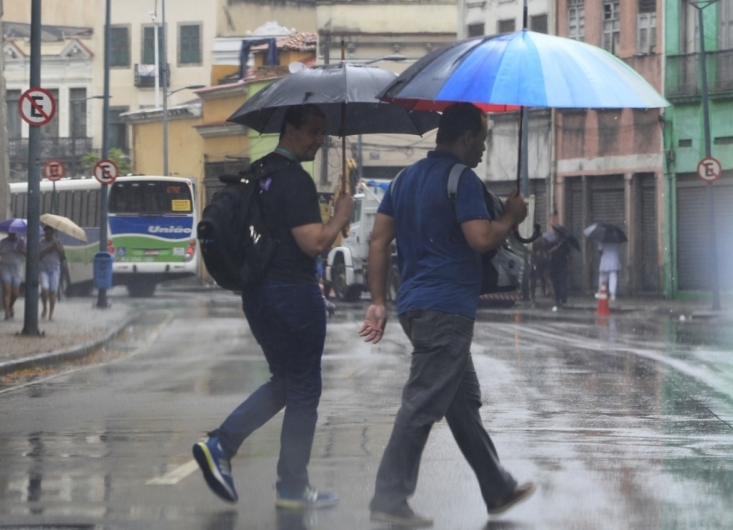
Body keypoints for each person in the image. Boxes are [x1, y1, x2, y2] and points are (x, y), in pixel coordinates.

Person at [359, 103, 536, 528]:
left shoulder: (403, 179)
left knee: (460, 404)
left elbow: (379, 242)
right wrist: (510, 218)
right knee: (422, 404)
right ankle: (389, 497)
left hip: (415, 304)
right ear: (466, 138)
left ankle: (497, 487)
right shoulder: (463, 179)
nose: (482, 151)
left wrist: (379, 300)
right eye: (482, 141)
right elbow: (479, 238)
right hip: (447, 309)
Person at [192, 104, 354, 509]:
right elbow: (314, 242)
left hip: (259, 295)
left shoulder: (258, 172)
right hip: (293, 295)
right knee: (304, 390)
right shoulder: (293, 179)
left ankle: (222, 445)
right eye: (314, 132)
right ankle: (292, 487)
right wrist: (339, 216)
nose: (320, 141)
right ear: (291, 130)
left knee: (285, 381)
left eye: (324, 133)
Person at [0, 232, 25, 320]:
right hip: (5, 268)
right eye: (10, 233)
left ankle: (10, 305)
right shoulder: (3, 242)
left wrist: (21, 249)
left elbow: (27, 254)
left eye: (14, 233)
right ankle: (7, 312)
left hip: (17, 269)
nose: (12, 235)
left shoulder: (21, 242)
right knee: (6, 289)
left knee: (15, 292)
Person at [38, 226, 65, 320]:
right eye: (46, 234)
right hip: (43, 268)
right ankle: (45, 307)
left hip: (54, 268)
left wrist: (56, 249)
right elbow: (39, 255)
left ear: (53, 234)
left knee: (53, 291)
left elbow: (62, 255)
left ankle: (51, 313)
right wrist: (49, 248)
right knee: (44, 289)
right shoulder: (41, 242)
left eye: (50, 234)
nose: (48, 236)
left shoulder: (57, 242)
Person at [548, 229, 571, 311]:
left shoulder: (565, 244)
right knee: (556, 283)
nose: (556, 236)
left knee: (562, 283)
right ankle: (557, 300)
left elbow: (569, 256)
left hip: (563, 266)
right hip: (554, 266)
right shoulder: (552, 244)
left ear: (560, 236)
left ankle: (563, 299)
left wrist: (571, 266)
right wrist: (554, 249)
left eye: (557, 235)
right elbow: (547, 253)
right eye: (555, 235)